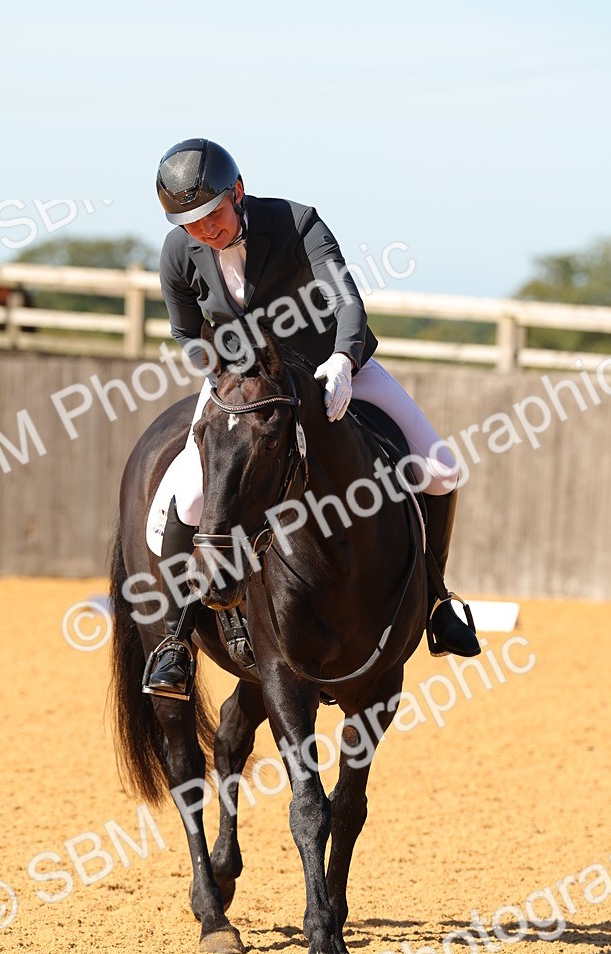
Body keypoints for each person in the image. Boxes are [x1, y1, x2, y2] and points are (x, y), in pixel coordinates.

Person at [144, 138, 480, 699]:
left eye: (212, 215)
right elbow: (185, 332)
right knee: (189, 496)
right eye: (191, 223)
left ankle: (437, 599)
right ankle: (176, 638)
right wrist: (220, 375)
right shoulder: (179, 251)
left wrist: (344, 360)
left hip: (330, 368)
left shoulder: (298, 223)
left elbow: (347, 301)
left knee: (442, 470)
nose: (204, 230)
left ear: (237, 192)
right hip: (246, 387)